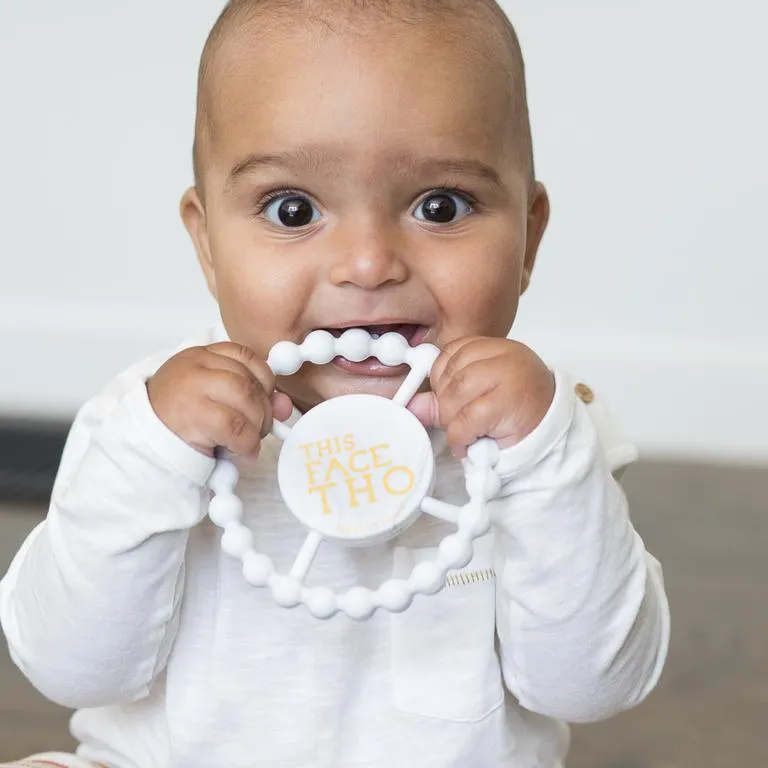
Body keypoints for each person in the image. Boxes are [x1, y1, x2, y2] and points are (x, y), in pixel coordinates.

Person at [0, 1, 670, 766]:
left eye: (440, 206)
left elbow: (594, 686)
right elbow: (69, 667)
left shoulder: (538, 435)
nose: (368, 263)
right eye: (293, 210)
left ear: (528, 236)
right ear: (208, 244)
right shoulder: (149, 421)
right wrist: (149, 459)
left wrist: (548, 458)